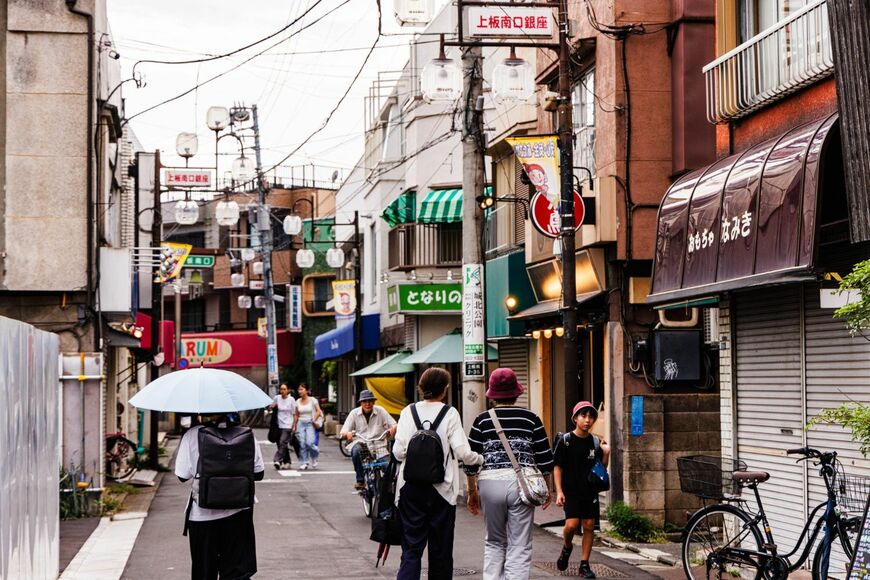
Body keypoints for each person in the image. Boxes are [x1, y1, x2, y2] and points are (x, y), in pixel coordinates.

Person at [392, 367, 483, 580]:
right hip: (441, 492)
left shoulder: (408, 412)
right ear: (445, 389)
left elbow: (397, 452)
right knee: (440, 552)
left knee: (411, 550)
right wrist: (480, 459)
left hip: (410, 489)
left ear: (421, 388)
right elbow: (462, 452)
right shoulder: (450, 413)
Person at [466, 368, 555, 579]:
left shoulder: (482, 420)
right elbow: (544, 457)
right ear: (516, 393)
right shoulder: (531, 419)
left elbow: (470, 460)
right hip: (521, 485)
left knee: (494, 541)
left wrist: (472, 492)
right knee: (520, 543)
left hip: (489, 484)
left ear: (492, 394)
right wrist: (546, 488)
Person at [175, 413, 265, 580]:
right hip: (239, 513)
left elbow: (182, 476)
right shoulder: (246, 434)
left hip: (202, 516)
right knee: (236, 573)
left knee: (204, 572)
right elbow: (258, 473)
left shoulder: (192, 434)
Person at [553, 401, 610, 579]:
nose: (587, 420)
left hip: (589, 491)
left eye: (591, 416)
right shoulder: (566, 441)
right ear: (575, 419)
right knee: (571, 526)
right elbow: (557, 467)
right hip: (571, 490)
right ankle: (567, 547)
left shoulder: (595, 442)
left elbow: (601, 468)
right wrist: (559, 491)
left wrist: (606, 453)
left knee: (589, 526)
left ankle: (584, 565)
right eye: (583, 416)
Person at [339, 389, 397, 490]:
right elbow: (343, 432)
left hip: (380, 447)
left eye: (370, 401)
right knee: (356, 451)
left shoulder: (381, 411)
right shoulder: (354, 413)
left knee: (389, 468)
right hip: (362, 446)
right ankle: (360, 480)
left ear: (374, 402)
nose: (367, 404)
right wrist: (347, 434)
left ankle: (387, 492)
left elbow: (394, 424)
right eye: (364, 401)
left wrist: (393, 428)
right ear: (360, 403)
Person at [293, 383, 323, 470]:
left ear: (306, 391)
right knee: (302, 444)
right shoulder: (297, 402)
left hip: (310, 423)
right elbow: (296, 415)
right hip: (300, 423)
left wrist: (314, 419)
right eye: (299, 389)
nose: (300, 391)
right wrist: (294, 426)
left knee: (309, 443)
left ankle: (314, 456)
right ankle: (304, 462)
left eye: (302, 389)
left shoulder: (313, 400)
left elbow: (318, 411)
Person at [269, 383, 297, 469]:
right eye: (281, 389)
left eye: (284, 389)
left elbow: (294, 413)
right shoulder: (277, 398)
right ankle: (287, 461)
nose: (283, 391)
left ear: (288, 390)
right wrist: (272, 407)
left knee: (282, 442)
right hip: (278, 425)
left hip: (288, 425)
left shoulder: (291, 399)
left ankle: (277, 460)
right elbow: (270, 408)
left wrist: (294, 425)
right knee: (281, 444)